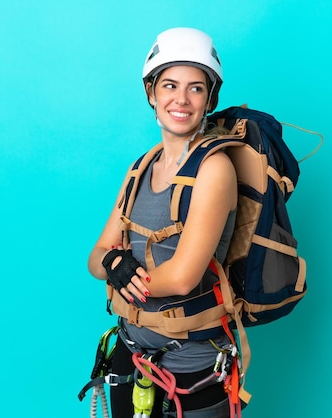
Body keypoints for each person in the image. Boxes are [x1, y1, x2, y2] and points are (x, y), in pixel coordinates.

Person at [87, 28, 238, 418]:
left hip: (191, 368)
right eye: (170, 85)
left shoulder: (214, 169)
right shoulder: (140, 167)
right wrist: (112, 264)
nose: (181, 100)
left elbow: (184, 277)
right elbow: (96, 257)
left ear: (210, 99)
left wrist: (119, 273)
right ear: (151, 93)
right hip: (130, 354)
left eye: (196, 88)